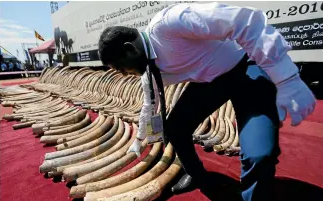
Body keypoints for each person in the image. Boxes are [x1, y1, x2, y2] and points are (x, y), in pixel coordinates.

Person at [97, 2, 316, 201]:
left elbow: (245, 20)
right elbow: (149, 106)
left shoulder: (169, 23)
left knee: (259, 154)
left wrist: (287, 78)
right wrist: (140, 138)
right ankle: (197, 175)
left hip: (245, 70)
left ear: (129, 48)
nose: (123, 75)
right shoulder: (148, 71)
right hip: (209, 84)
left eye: (120, 67)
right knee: (175, 128)